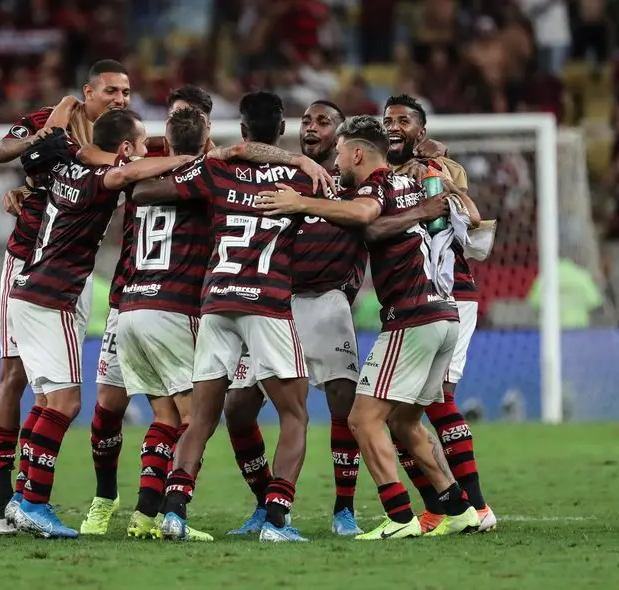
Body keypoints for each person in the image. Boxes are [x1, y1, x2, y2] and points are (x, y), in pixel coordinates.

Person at [256, 115, 481, 538]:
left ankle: (399, 517)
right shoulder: (412, 183)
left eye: (341, 153)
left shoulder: (376, 184)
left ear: (357, 153)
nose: (336, 161)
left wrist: (300, 203)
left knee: (361, 419)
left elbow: (364, 214)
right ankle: (460, 508)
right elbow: (467, 217)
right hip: (444, 314)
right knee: (406, 423)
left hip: (412, 318)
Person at [133, 91, 329, 542]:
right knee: (294, 415)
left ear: (241, 130)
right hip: (267, 302)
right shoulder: (302, 178)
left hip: (217, 300)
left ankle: (175, 512)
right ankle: (276, 519)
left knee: (201, 418)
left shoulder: (216, 169)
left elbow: (144, 192)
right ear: (283, 130)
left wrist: (199, 163)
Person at [7, 109, 195, 539]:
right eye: (142, 142)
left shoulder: (64, 166)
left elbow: (75, 147)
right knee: (65, 404)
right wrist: (186, 160)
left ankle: (22, 497)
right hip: (51, 297)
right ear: (125, 148)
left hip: (28, 291)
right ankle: (34, 503)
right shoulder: (99, 178)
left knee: (45, 402)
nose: (146, 149)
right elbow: (126, 172)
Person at [0, 59, 131, 535]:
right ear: (88, 92)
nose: (119, 99)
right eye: (111, 91)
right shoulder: (53, 120)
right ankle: (3, 497)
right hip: (26, 261)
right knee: (16, 376)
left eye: (125, 92)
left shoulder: (122, 136)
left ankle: (26, 495)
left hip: (74, 269)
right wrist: (42, 138)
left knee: (52, 390)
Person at [76, 85, 217, 536]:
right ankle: (126, 502)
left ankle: (146, 513)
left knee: (167, 416)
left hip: (142, 300)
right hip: (150, 302)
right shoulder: (180, 167)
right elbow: (92, 154)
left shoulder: (147, 171)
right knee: (115, 406)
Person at [221, 100, 366, 536]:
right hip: (273, 304)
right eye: (306, 121)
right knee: (238, 408)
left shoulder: (351, 184)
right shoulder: (280, 175)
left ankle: (344, 509)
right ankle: (266, 503)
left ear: (341, 134)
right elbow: (235, 153)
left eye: (323, 121)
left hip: (326, 303)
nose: (311, 128)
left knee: (344, 403)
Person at [376, 94, 496, 533]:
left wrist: (439, 169)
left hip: (448, 292)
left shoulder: (438, 170)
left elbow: (473, 221)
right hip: (408, 298)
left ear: (420, 132)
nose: (393, 125)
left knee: (435, 399)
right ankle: (439, 507)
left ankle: (476, 508)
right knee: (398, 411)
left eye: (403, 120)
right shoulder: (378, 173)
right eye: (388, 119)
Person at [116, 106, 214, 542]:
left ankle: (144, 515)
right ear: (206, 139)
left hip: (131, 307)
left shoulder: (144, 180)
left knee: (164, 417)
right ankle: (176, 514)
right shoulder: (205, 179)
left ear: (167, 141)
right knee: (195, 418)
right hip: (173, 308)